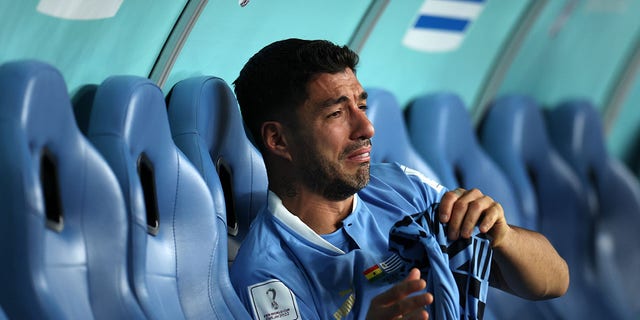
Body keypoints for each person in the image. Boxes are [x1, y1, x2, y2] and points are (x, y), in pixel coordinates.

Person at [229, 38, 569, 320]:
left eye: (361, 106)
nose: (366, 128)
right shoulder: (265, 273)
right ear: (278, 140)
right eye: (336, 113)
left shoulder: (401, 187)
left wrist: (504, 236)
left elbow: (555, 282)